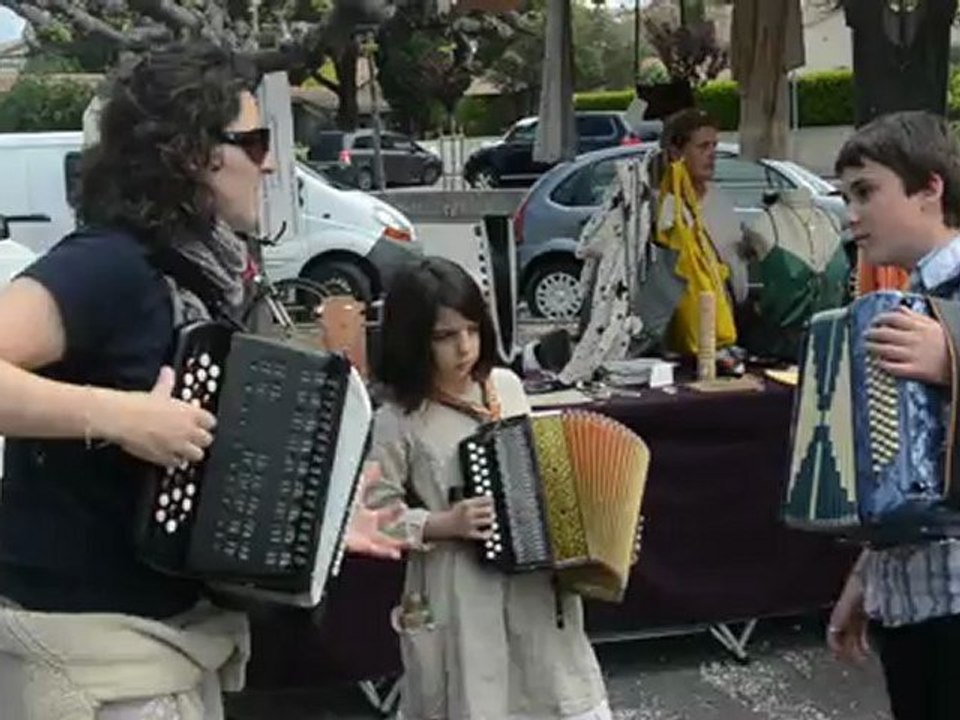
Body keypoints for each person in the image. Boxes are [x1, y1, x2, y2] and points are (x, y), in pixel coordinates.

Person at [0, 41, 402, 720]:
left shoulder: (194, 278)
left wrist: (323, 522)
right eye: (253, 141)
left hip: (164, 646)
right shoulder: (109, 267)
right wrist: (124, 417)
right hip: (94, 653)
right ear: (190, 153)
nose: (270, 161)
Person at [367, 256, 611, 720]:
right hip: (458, 592)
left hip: (532, 587)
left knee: (548, 690)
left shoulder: (505, 386)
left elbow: (542, 473)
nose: (464, 348)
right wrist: (440, 523)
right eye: (445, 336)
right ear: (413, 340)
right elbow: (369, 515)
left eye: (473, 331)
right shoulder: (398, 419)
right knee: (480, 700)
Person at [826, 110, 960, 720]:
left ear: (931, 188)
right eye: (846, 195)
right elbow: (905, 467)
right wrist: (864, 576)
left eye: (866, 191)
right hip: (914, 598)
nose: (851, 213)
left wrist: (953, 357)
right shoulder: (903, 297)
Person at [658, 107, 750, 305]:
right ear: (676, 153)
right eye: (703, 147)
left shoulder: (721, 199)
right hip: (692, 323)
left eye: (714, 146)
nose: (712, 154)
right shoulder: (666, 208)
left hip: (730, 317)